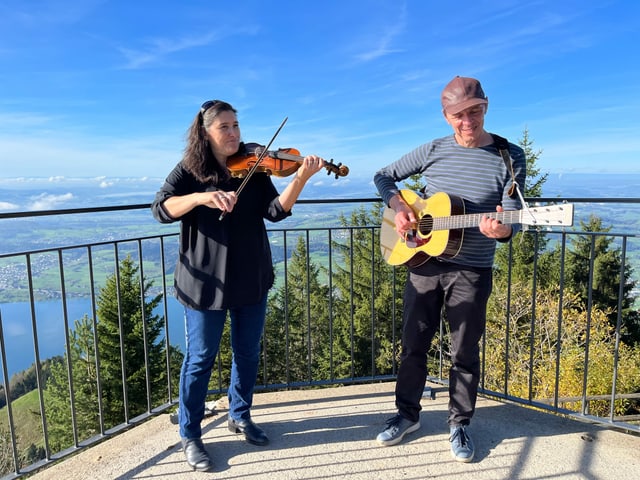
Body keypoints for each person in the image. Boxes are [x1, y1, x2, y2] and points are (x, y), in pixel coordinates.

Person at [151, 100, 325, 472]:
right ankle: (191, 433)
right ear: (205, 132)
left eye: (236, 126)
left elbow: (275, 212)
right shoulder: (190, 169)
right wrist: (201, 196)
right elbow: (161, 208)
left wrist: (299, 179)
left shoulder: (255, 165)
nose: (234, 134)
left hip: (250, 274)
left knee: (247, 352)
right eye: (224, 127)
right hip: (205, 281)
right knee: (200, 358)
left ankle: (240, 414)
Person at [373, 76, 526, 462]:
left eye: (474, 111)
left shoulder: (510, 156)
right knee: (413, 345)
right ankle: (407, 415)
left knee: (464, 350)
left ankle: (459, 424)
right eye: (458, 115)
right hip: (423, 263)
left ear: (486, 107)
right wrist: (399, 207)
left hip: (473, 267)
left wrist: (504, 229)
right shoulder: (433, 149)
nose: (467, 121)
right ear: (446, 116)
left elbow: (512, 212)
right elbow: (383, 176)